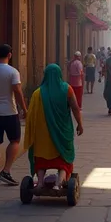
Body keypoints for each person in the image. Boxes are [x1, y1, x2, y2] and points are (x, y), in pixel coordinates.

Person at [24, 64, 83, 193]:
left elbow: (31, 115)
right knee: (63, 157)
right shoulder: (67, 89)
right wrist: (80, 123)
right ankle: (58, 183)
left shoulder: (37, 93)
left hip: (42, 134)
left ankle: (39, 183)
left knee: (41, 159)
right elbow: (75, 107)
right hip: (63, 131)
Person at [0, 44, 27, 185]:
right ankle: (6, 170)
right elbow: (17, 91)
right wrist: (25, 109)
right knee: (14, 140)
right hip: (9, 111)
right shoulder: (13, 72)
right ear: (9, 55)